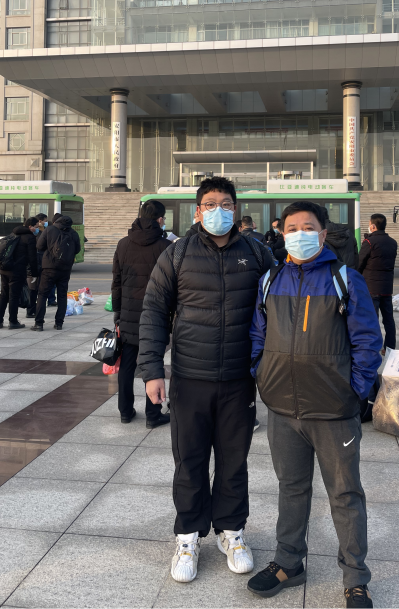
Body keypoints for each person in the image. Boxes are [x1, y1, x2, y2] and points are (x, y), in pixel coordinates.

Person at [138, 176, 273, 584]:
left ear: (236, 209)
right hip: (189, 378)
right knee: (190, 461)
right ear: (198, 211)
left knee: (234, 461)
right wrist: (151, 370)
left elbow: (278, 307)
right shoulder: (177, 254)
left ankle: (231, 530)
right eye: (210, 204)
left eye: (226, 204)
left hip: (238, 379)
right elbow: (154, 311)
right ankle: (187, 535)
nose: (219, 211)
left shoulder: (257, 253)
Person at [247, 201, 381, 609]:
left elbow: (367, 341)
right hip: (283, 408)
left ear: (323, 234)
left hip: (333, 410)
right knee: (291, 488)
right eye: (291, 228)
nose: (299, 234)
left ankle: (355, 578)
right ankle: (289, 563)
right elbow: (258, 333)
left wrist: (354, 391)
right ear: (281, 233)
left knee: (345, 493)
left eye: (308, 227)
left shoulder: (345, 278)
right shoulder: (271, 278)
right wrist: (262, 374)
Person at [112, 199, 172, 429]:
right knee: (153, 361)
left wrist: (117, 312)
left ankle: (125, 411)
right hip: (156, 314)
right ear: (160, 219)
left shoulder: (123, 244)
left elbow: (116, 281)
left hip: (128, 313)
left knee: (127, 364)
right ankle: (152, 414)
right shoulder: (165, 246)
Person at [31, 212, 81, 331]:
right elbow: (77, 249)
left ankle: (39, 323)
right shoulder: (73, 233)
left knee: (42, 294)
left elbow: (39, 246)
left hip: (49, 267)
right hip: (65, 269)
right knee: (62, 296)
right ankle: (59, 323)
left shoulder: (50, 229)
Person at [358, 213, 398, 352]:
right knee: (388, 320)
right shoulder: (393, 242)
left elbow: (360, 263)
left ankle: (372, 347)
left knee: (372, 319)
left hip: (371, 287)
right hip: (387, 287)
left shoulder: (369, 242)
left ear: (373, 226)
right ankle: (390, 347)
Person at [0, 217, 39, 330]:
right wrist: (34, 273)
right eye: (36, 227)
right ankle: (13, 321)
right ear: (30, 226)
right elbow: (32, 258)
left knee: (4, 295)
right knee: (14, 296)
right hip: (17, 270)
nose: (37, 229)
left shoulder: (13, 234)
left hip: (4, 268)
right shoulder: (29, 237)